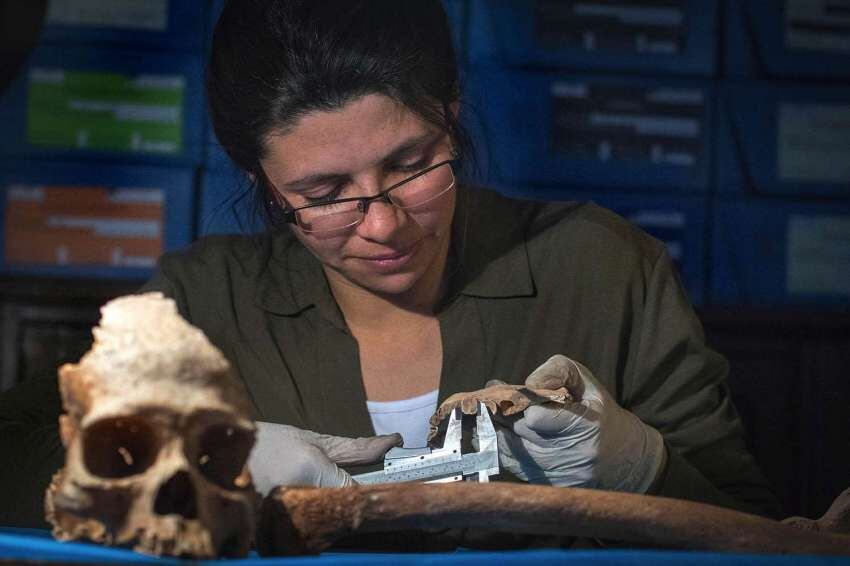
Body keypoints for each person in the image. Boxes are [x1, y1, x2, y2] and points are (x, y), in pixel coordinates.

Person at [0, 0, 781, 533]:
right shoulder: (204, 300)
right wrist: (183, 463)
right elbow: (17, 453)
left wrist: (643, 468)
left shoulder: (604, 269)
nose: (383, 224)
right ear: (262, 187)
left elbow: (754, 528)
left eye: (412, 164)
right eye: (324, 192)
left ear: (452, 113)